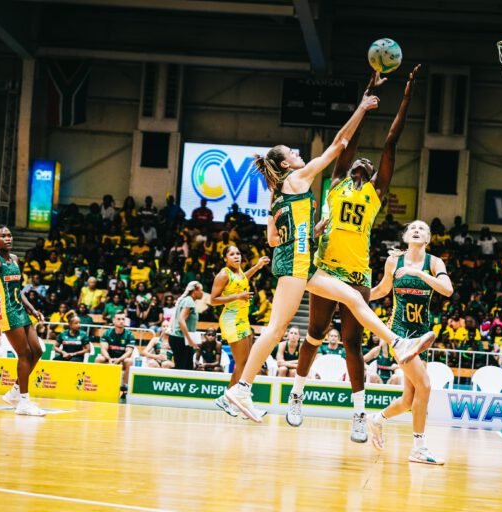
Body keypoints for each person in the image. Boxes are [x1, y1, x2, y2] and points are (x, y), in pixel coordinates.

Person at [226, 70, 434, 424]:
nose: (297, 153)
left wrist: (308, 232)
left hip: (308, 261)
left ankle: (399, 344)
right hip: (301, 263)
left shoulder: (284, 192)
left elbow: (273, 237)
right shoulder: (303, 178)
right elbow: (340, 143)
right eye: (291, 153)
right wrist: (363, 104)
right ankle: (243, 388)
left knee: (353, 299)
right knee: (279, 329)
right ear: (284, 164)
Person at [285, 67, 422, 441]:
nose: (364, 161)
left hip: (358, 275)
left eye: (370, 164)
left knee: (352, 344)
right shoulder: (336, 183)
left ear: (374, 175)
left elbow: (391, 143)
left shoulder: (374, 193)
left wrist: (406, 97)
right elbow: (348, 141)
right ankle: (297, 395)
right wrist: (367, 95)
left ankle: (359, 414)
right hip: (325, 269)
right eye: (359, 160)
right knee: (314, 334)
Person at [366, 220, 454, 465]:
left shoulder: (434, 263)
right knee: (425, 386)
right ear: (405, 237)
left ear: (428, 238)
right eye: (412, 228)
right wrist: (356, 297)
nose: (416, 230)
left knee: (409, 399)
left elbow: (447, 290)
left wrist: (418, 273)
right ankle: (418, 447)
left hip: (421, 333)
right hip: (399, 332)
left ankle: (377, 419)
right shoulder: (394, 261)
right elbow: (382, 290)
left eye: (422, 228)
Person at [0, 226, 47, 416]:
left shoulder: (15, 259)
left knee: (37, 350)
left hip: (19, 308)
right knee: (24, 354)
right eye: (3, 236)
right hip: (5, 311)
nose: (8, 238)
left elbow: (18, 289)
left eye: (9, 235)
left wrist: (32, 309)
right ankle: (24, 402)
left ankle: (15, 392)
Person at [209, 246, 270, 416]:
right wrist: (238, 296)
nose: (236, 256)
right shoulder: (223, 274)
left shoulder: (238, 272)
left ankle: (229, 399)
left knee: (245, 363)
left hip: (243, 319)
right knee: (243, 364)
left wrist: (257, 267)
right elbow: (213, 300)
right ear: (225, 258)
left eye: (238, 254)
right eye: (232, 254)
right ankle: (241, 403)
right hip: (232, 320)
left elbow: (243, 278)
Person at [95, 312, 136, 391]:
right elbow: (103, 349)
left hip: (122, 360)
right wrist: (109, 359)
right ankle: (96, 383)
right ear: (114, 320)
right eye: (119, 319)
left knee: (129, 361)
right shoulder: (107, 333)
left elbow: (129, 352)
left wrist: (119, 360)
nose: (121, 321)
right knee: (99, 359)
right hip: (109, 358)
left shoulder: (129, 334)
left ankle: (125, 387)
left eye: (123, 319)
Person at [168, 281, 203, 370]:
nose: (202, 293)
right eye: (201, 290)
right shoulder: (188, 301)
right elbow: (181, 320)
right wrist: (190, 340)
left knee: (187, 368)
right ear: (195, 290)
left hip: (182, 339)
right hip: (180, 339)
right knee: (182, 369)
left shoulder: (188, 301)